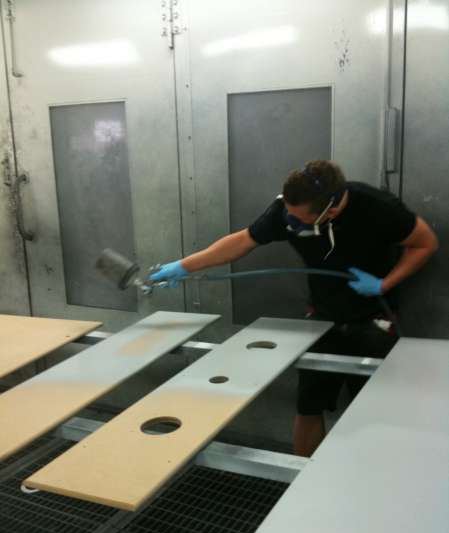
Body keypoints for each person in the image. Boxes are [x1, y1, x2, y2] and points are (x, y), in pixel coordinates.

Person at [149, 160, 438, 456]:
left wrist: (383, 284)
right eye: (287, 214)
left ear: (330, 213)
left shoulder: (378, 208)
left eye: (298, 221)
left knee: (373, 409)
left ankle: (367, 474)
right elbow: (243, 241)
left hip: (374, 318)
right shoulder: (287, 210)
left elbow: (425, 243)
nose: (289, 222)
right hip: (322, 317)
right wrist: (183, 266)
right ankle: (303, 472)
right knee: (308, 406)